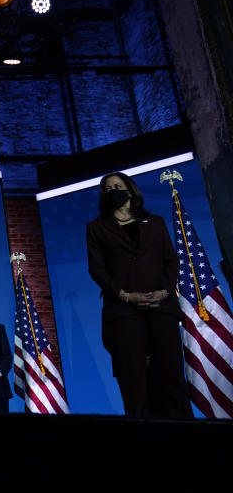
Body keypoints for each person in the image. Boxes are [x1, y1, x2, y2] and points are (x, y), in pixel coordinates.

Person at [86, 172, 193, 416]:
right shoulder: (96, 228)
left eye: (118, 186)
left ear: (131, 190)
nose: (114, 190)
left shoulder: (155, 222)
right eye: (109, 188)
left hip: (161, 308)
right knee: (133, 379)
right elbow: (97, 269)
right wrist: (124, 295)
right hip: (124, 313)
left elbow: (171, 260)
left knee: (171, 374)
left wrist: (164, 291)